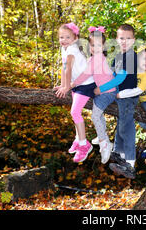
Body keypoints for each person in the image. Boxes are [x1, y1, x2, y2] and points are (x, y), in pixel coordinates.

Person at [71, 26, 126, 164]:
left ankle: (104, 143)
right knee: (97, 114)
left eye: (98, 45)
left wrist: (72, 85)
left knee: (95, 115)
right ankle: (102, 135)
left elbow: (85, 76)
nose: (95, 48)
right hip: (103, 91)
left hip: (108, 92)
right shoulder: (93, 59)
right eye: (92, 45)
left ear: (104, 46)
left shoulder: (98, 59)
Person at [96, 24, 139, 179]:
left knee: (126, 128)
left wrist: (102, 88)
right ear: (117, 39)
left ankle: (130, 163)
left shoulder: (131, 57)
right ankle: (119, 155)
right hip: (119, 96)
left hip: (128, 97)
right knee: (120, 125)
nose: (124, 41)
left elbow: (120, 78)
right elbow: (112, 76)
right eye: (121, 38)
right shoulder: (118, 57)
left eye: (128, 38)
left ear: (133, 41)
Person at [53, 22, 95, 163]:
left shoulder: (72, 50)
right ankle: (78, 139)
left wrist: (66, 87)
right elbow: (64, 69)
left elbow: (69, 70)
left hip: (86, 84)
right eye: (61, 37)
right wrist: (63, 85)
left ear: (75, 38)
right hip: (76, 84)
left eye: (67, 37)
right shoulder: (64, 49)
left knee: (74, 112)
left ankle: (84, 145)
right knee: (75, 113)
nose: (63, 40)